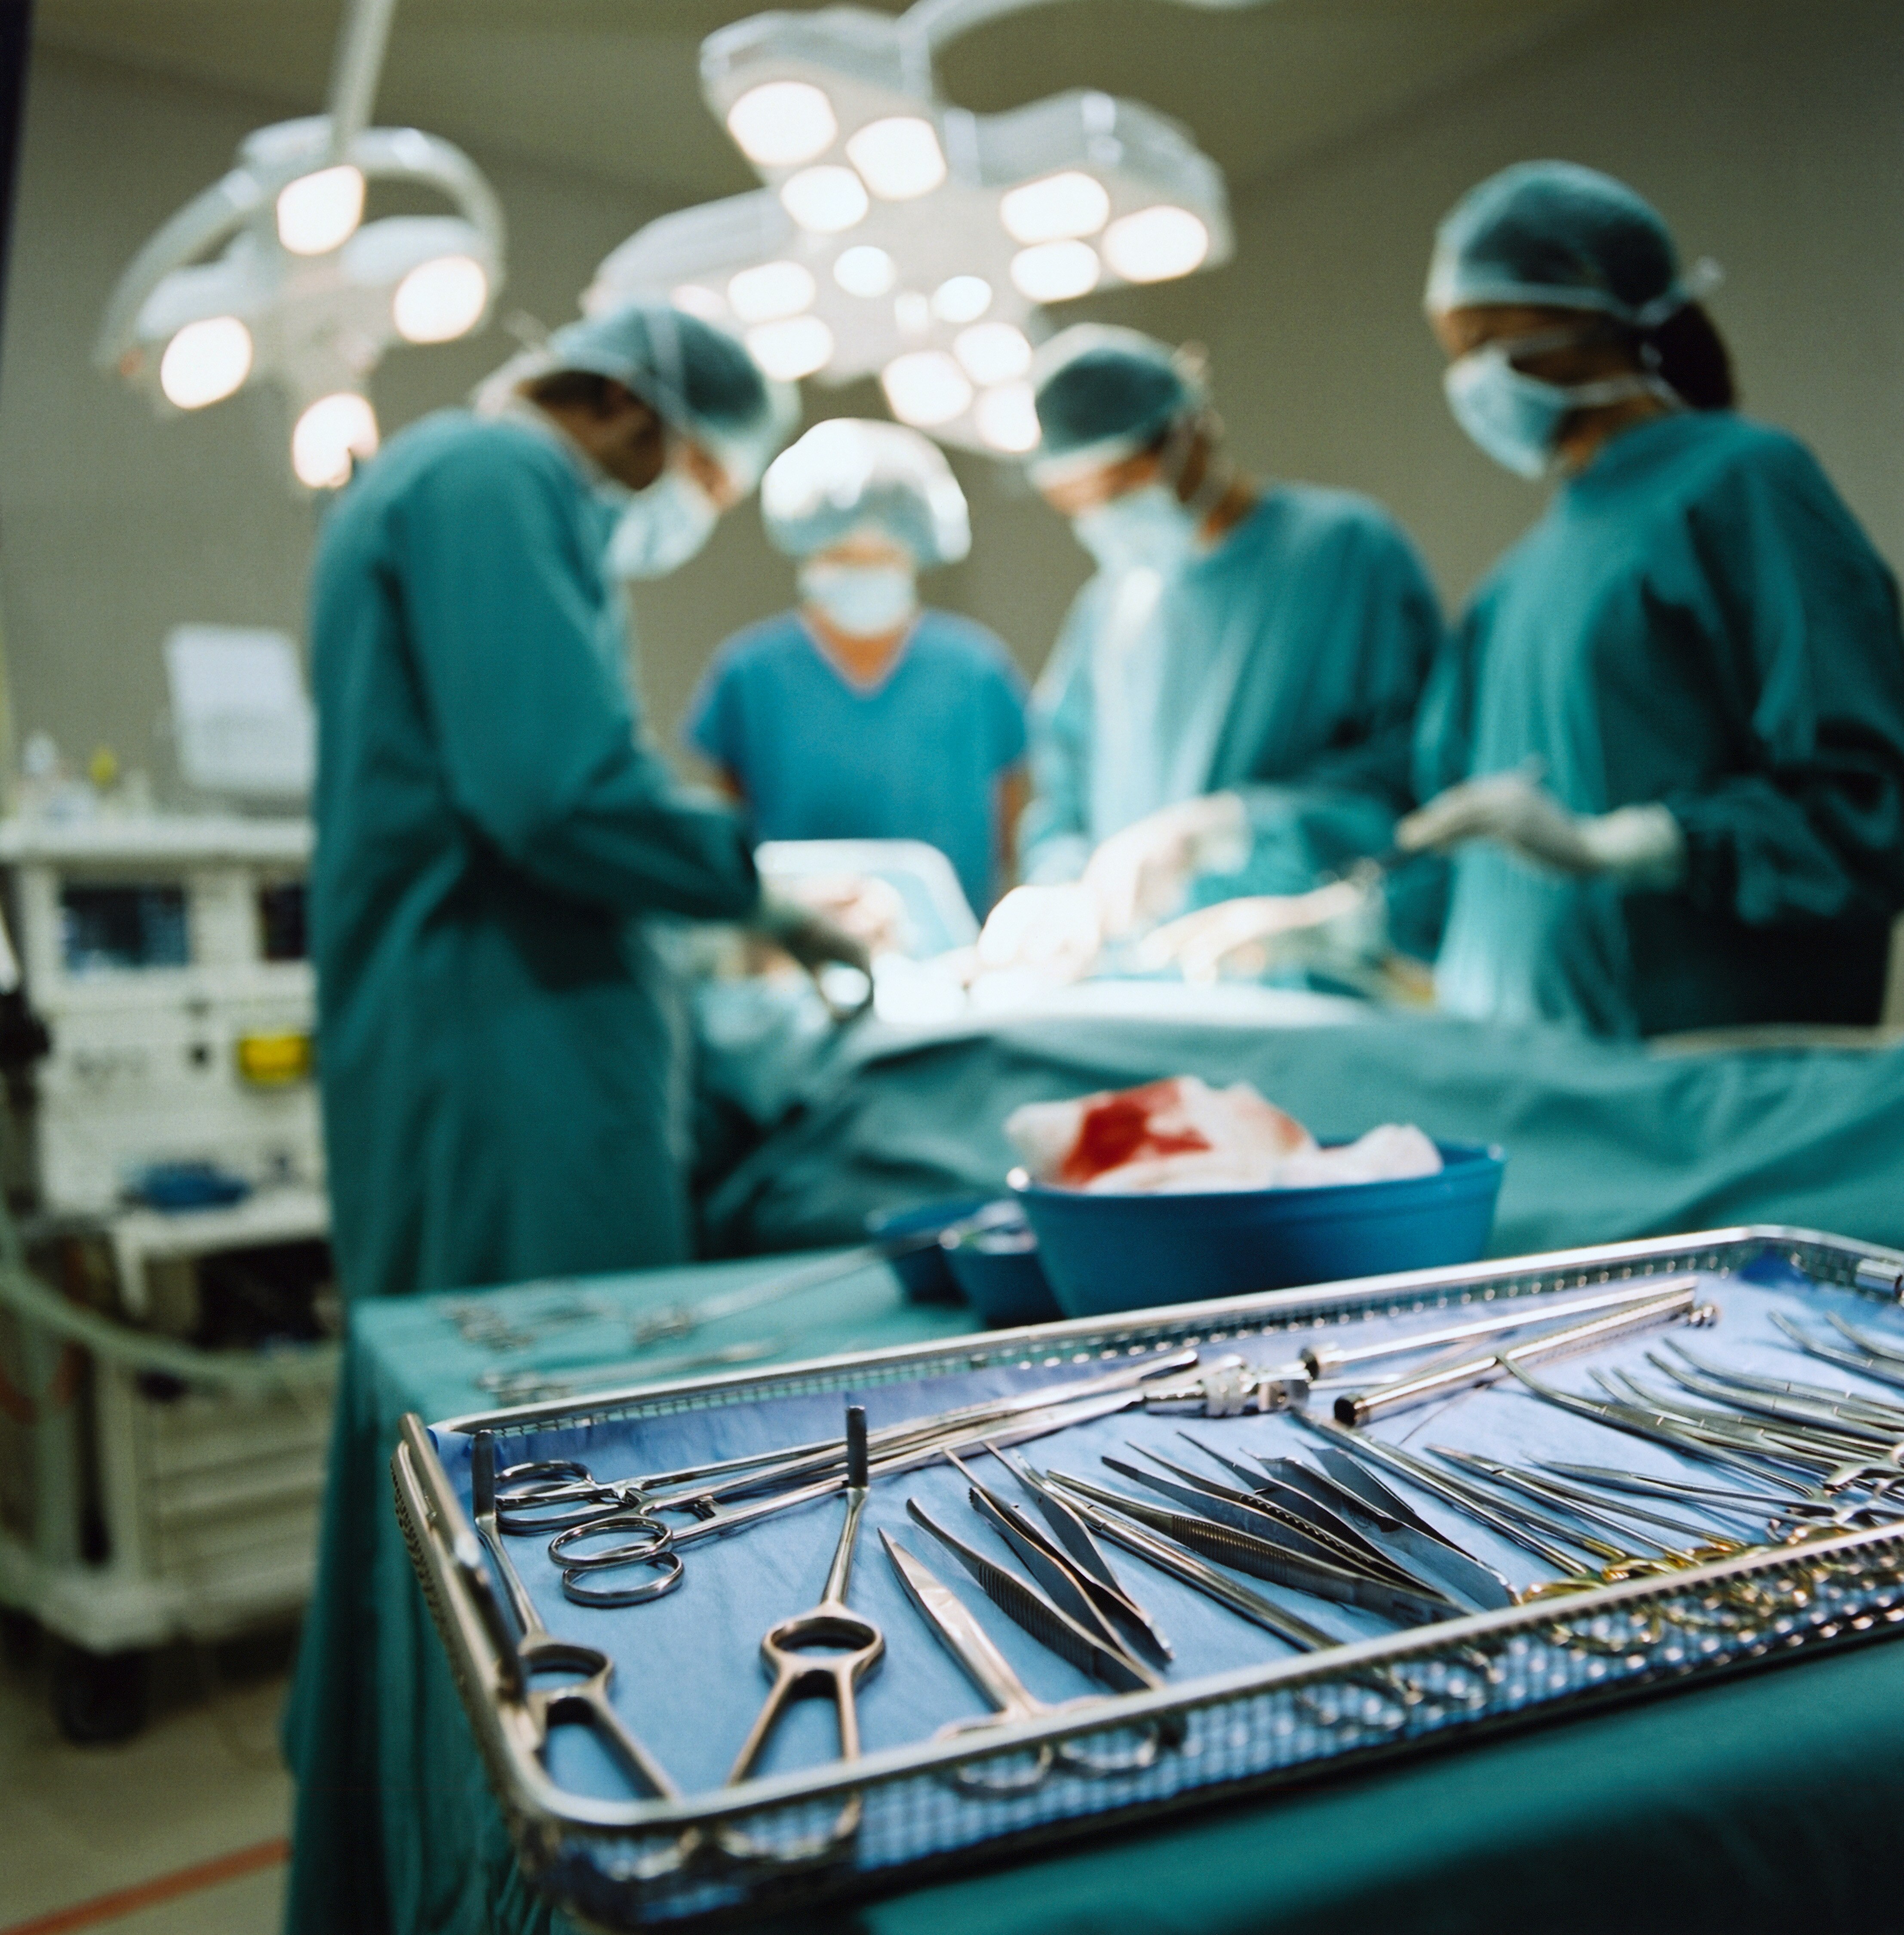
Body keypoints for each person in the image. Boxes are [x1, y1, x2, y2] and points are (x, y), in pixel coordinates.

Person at [308, 301, 863, 1300]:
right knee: (540, 1416)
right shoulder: (495, 476)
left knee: (459, 1400)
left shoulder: (431, 482)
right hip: (510, 1048)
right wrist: (747, 890)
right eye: (699, 476)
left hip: (461, 1027)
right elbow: (556, 795)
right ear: (621, 405)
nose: (689, 511)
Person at [1390, 160, 1904, 1035]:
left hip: (1709, 1094)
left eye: (1491, 341)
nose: (1474, 380)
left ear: (1601, 315)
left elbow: (1864, 806)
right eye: (1456, 353)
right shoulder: (1511, 585)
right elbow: (1446, 853)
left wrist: (1633, 846)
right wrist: (1355, 926)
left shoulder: (1743, 485)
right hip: (1533, 1089)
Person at [978, 324, 1442, 977]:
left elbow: (1414, 782)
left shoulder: (1343, 555)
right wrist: (1059, 888)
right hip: (1137, 985)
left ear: (1191, 432)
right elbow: (1064, 791)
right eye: (1074, 503)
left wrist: (1233, 828)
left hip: (1296, 980)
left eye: (1118, 488)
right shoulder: (1108, 606)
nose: (1102, 517)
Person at [684, 418, 1028, 917]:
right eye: (843, 555)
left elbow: (1008, 824)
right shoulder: (751, 671)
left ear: (916, 555)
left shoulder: (976, 668)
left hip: (952, 942)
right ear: (809, 554)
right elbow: (728, 823)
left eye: (882, 555)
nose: (862, 572)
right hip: (796, 938)